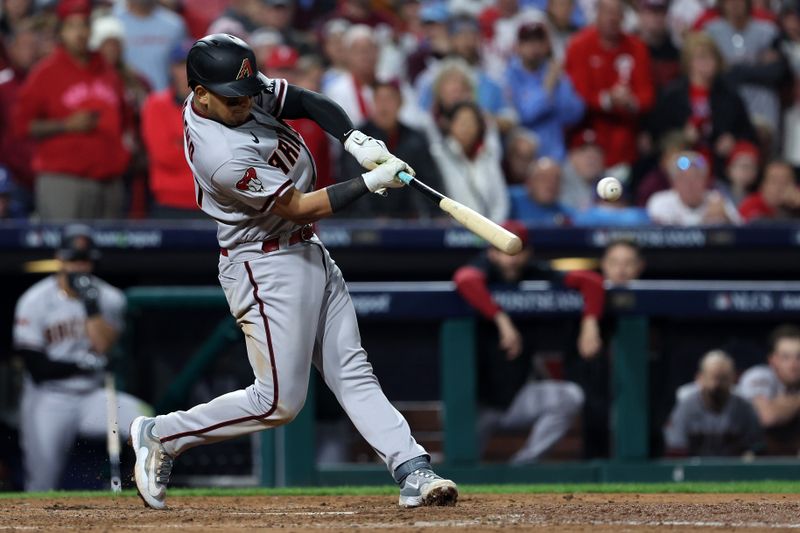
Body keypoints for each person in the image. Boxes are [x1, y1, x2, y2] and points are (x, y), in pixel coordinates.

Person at [129, 33, 458, 510]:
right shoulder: (218, 152)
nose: (244, 104)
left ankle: (412, 468)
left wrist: (354, 138)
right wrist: (369, 181)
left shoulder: (232, 87)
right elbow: (299, 206)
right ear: (199, 93)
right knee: (278, 401)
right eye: (231, 99)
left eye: (246, 94)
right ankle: (162, 433)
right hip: (264, 264)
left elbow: (302, 99)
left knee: (352, 370)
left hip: (304, 251)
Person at [452, 220, 605, 463]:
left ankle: (522, 466)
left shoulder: (534, 271)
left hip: (516, 397)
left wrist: (590, 324)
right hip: (476, 403)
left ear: (528, 252)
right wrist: (501, 320)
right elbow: (464, 279)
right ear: (491, 252)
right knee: (457, 465)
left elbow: (592, 281)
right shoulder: (482, 269)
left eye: (516, 250)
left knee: (570, 396)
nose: (511, 258)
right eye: (503, 250)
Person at [13, 225, 150, 490]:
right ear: (60, 259)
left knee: (144, 421)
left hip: (92, 396)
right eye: (74, 260)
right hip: (48, 398)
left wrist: (90, 305)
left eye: (85, 260)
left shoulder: (108, 297)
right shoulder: (34, 300)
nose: (79, 267)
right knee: (41, 482)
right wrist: (80, 365)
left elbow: (102, 346)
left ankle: (143, 482)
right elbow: (36, 367)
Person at [13, 0, 130, 220]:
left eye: (84, 25)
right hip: (64, 181)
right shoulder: (44, 73)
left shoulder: (107, 71)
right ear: (61, 32)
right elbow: (22, 126)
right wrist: (65, 125)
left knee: (110, 253)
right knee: (66, 252)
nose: (80, 33)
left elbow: (124, 118)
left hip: (109, 180)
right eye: (72, 26)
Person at [647, 32, 758, 178]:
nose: (708, 62)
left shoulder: (729, 95)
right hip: (682, 163)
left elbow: (748, 132)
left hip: (720, 164)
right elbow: (658, 134)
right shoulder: (673, 95)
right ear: (689, 62)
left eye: (712, 57)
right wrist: (682, 137)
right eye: (701, 57)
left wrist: (732, 139)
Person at [564, 0, 655, 170]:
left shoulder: (637, 47)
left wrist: (630, 101)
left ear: (623, 17)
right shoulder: (579, 46)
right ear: (597, 14)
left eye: (616, 13)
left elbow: (647, 96)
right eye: (606, 12)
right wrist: (607, 99)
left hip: (626, 140)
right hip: (586, 137)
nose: (611, 18)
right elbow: (577, 94)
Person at [339, 80, 445, 219]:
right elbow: (351, 184)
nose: (384, 107)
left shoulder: (416, 140)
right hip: (364, 224)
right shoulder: (357, 140)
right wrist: (370, 218)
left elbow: (429, 183)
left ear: (400, 103)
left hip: (409, 222)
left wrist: (435, 215)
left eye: (389, 99)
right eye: (379, 100)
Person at [505, 21, 584, 162]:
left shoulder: (553, 72)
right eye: (528, 42)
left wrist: (557, 83)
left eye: (538, 41)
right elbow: (524, 115)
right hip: (526, 159)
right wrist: (548, 87)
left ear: (546, 46)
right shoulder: (510, 75)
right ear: (518, 47)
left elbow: (574, 113)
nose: (534, 47)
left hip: (557, 154)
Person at [664, 350, 764, 457]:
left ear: (733, 378)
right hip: (695, 471)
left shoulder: (744, 408)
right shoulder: (685, 408)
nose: (718, 384)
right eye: (714, 378)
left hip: (733, 471)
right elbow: (675, 451)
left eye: (723, 378)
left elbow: (756, 448)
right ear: (700, 378)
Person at [704, 0, 784, 130]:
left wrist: (733, 69)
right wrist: (754, 67)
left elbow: (775, 73)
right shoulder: (711, 31)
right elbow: (710, 73)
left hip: (762, 105)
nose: (735, 4)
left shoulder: (768, 31)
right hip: (725, 105)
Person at [141, 41, 198, 217]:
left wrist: (181, 143)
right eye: (182, 65)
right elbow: (164, 155)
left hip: (213, 204)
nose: (188, 71)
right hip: (170, 202)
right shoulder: (155, 104)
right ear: (171, 69)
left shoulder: (217, 106)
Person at [430, 100, 509, 222]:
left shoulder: (488, 156)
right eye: (460, 121)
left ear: (479, 127)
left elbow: (500, 202)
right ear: (450, 125)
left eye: (471, 122)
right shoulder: (438, 155)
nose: (465, 127)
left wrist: (493, 230)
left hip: (488, 231)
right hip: (450, 230)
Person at [738, 325, 800, 454]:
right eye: (786, 357)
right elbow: (768, 417)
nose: (794, 365)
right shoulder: (759, 375)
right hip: (746, 457)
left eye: (799, 357)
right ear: (772, 360)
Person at [646, 151, 742, 225]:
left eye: (696, 178)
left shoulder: (717, 200)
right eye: (684, 179)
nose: (690, 184)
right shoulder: (661, 201)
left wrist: (725, 219)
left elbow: (741, 231)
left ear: (705, 181)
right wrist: (705, 223)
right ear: (674, 183)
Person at [114, 0, 188, 91]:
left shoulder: (174, 24)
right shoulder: (113, 21)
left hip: (162, 98)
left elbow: (182, 66)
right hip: (125, 99)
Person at [508, 157, 573, 225]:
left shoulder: (566, 214)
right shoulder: (511, 201)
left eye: (556, 179)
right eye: (543, 178)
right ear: (529, 182)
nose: (550, 183)